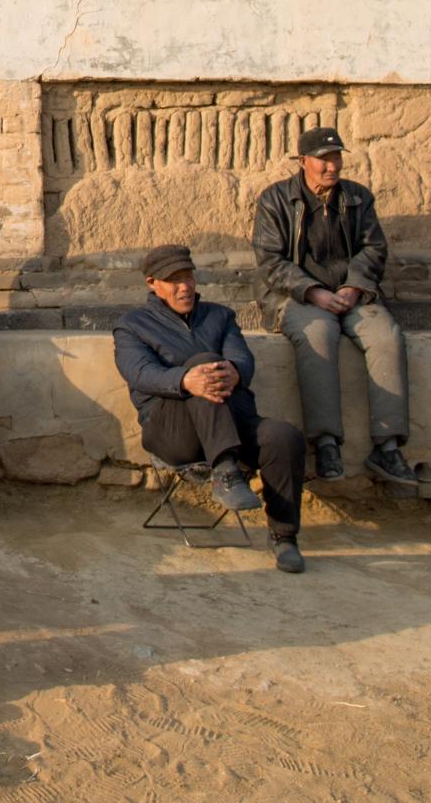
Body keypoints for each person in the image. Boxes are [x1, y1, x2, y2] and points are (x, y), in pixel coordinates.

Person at [113, 244, 309, 573]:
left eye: (188, 277)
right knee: (203, 365)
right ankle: (225, 468)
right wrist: (185, 380)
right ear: (152, 283)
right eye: (173, 280)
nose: (184, 286)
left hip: (231, 420)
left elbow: (242, 358)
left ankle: (284, 536)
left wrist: (235, 369)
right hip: (173, 430)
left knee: (283, 436)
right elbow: (140, 373)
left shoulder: (220, 317)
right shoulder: (133, 325)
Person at [251, 125, 416, 486]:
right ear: (302, 161)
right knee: (318, 334)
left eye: (336, 157)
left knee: (386, 335)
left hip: (350, 295)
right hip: (297, 296)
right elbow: (270, 261)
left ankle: (387, 447)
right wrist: (312, 291)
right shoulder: (275, 200)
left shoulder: (358, 198)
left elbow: (374, 249)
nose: (332, 166)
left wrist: (355, 287)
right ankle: (326, 443)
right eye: (324, 159)